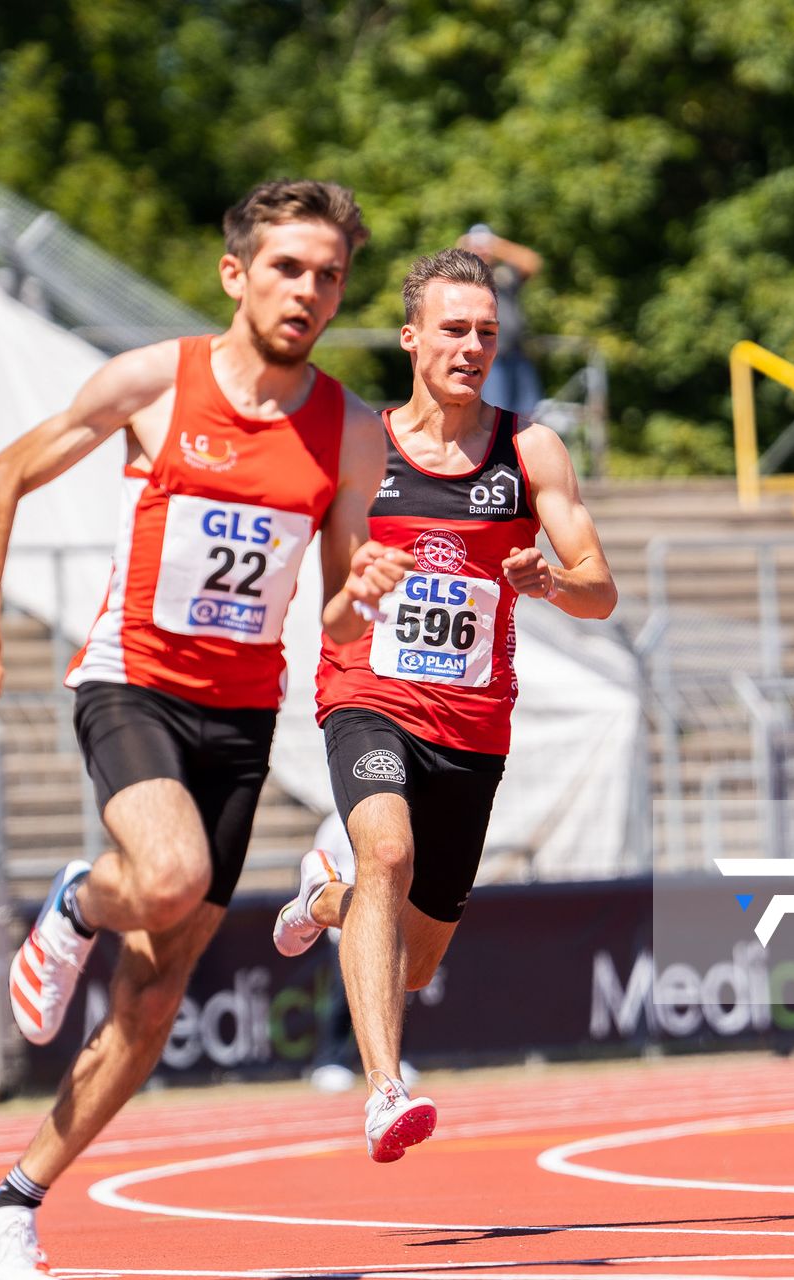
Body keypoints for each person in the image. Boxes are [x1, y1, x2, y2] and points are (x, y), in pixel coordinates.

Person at [0, 179, 403, 1280]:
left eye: (329, 274)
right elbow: (3, 476)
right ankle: (71, 899)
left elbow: (334, 611)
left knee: (151, 1000)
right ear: (237, 274)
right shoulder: (158, 382)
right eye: (289, 267)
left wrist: (365, 586)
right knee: (171, 872)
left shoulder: (350, 434)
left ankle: (16, 1196)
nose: (310, 290)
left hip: (241, 718)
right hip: (133, 681)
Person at [270, 246, 616, 1162]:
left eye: (486, 333)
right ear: (411, 337)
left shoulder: (528, 448)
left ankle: (326, 897)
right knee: (387, 847)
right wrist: (359, 584)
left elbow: (600, 588)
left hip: (472, 725)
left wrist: (550, 581)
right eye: (454, 330)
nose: (471, 347)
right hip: (368, 694)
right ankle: (386, 1089)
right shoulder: (358, 446)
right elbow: (325, 596)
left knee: (414, 962)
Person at [457, 224, 543, 415]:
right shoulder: (467, 277)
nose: (482, 250)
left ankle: (520, 446)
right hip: (489, 354)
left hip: (517, 352)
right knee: (496, 412)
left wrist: (497, 245)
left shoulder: (504, 273)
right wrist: (467, 249)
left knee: (528, 412)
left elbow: (533, 262)